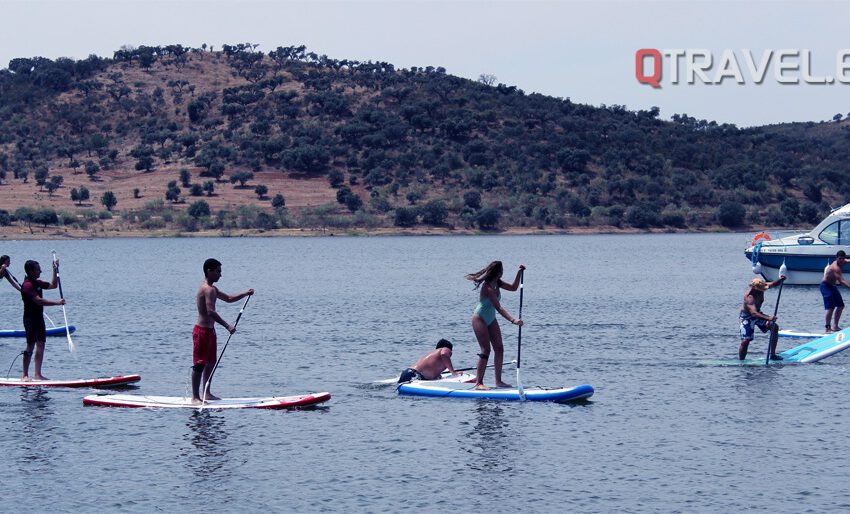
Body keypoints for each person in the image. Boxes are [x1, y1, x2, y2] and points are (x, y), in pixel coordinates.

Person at [192, 258, 253, 404]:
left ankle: (206, 393)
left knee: (211, 362)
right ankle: (195, 397)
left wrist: (245, 293)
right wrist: (227, 326)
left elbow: (229, 298)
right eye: (218, 271)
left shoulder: (213, 289)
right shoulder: (207, 289)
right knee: (200, 363)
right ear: (210, 271)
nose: (220, 275)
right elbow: (210, 311)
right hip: (201, 332)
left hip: (210, 331)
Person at [466, 261, 525, 390]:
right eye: (502, 270)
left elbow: (514, 288)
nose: (502, 272)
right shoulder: (487, 287)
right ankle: (479, 383)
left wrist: (519, 273)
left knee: (499, 348)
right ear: (498, 272)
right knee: (486, 350)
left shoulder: (498, 283)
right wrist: (513, 320)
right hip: (480, 318)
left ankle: (498, 381)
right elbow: (498, 307)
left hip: (491, 318)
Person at [20, 259, 65, 381]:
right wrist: (57, 303)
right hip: (30, 319)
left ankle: (38, 374)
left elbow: (54, 285)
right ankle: (24, 375)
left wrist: (55, 269)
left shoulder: (38, 282)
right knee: (30, 346)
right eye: (38, 269)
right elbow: (39, 301)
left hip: (39, 318)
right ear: (30, 271)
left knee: (41, 345)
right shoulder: (27, 285)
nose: (40, 271)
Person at [739, 276, 785, 361]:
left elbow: (774, 284)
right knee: (745, 341)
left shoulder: (762, 286)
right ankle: (741, 361)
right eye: (761, 289)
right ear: (754, 289)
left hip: (758, 313)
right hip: (747, 317)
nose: (763, 291)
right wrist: (768, 318)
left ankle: (773, 355)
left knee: (774, 327)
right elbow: (753, 313)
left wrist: (781, 279)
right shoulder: (749, 298)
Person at [821, 250, 850, 332]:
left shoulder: (843, 261)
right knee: (831, 307)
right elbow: (842, 281)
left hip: (832, 286)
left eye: (843, 259)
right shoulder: (835, 268)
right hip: (825, 286)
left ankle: (835, 326)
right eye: (840, 258)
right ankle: (827, 328)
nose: (841, 260)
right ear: (836, 258)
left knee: (841, 306)